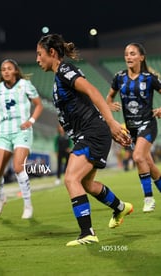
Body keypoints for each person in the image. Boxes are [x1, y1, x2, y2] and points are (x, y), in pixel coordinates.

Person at [36, 33, 134, 246]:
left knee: (71, 179)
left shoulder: (64, 70)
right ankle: (120, 208)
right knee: (87, 183)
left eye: (40, 54)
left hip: (93, 132)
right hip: (89, 133)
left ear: (52, 53)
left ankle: (87, 233)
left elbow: (92, 91)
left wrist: (111, 123)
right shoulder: (58, 77)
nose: (37, 59)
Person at [106, 42, 161, 212]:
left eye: (132, 54)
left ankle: (148, 198)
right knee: (150, 165)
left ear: (141, 57)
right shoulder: (119, 77)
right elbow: (108, 98)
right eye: (126, 54)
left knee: (138, 157)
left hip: (148, 124)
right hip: (132, 129)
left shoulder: (150, 78)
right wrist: (109, 105)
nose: (128, 57)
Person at [0, 58, 43, 219]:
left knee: (18, 167)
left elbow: (39, 104)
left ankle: (27, 204)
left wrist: (30, 121)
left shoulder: (25, 85)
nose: (5, 71)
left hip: (22, 132)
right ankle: (0, 199)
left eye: (9, 68)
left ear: (15, 71)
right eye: (3, 69)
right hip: (4, 133)